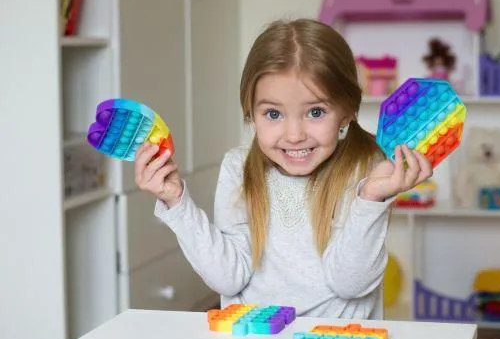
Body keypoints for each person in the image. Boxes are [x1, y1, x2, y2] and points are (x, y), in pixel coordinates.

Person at [134, 18, 432, 320]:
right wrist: (177, 203)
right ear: (251, 113)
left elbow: (350, 284)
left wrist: (370, 199)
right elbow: (227, 277)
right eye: (273, 113)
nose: (293, 135)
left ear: (347, 112)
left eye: (315, 112)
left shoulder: (366, 169)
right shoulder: (238, 168)